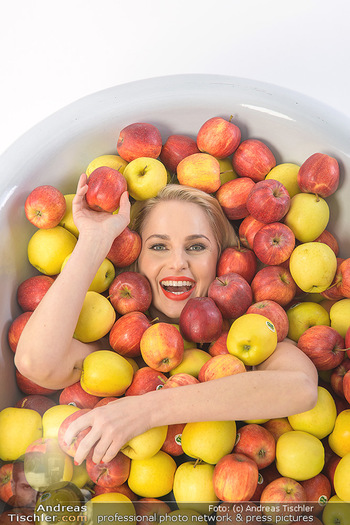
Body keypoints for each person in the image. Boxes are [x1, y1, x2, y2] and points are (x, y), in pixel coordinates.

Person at [15, 174, 318, 467]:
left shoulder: (247, 330)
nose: (177, 262)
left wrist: (144, 411)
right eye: (159, 246)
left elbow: (301, 387)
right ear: (135, 258)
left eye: (196, 247)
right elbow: (35, 362)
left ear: (222, 259)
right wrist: (95, 241)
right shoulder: (118, 346)